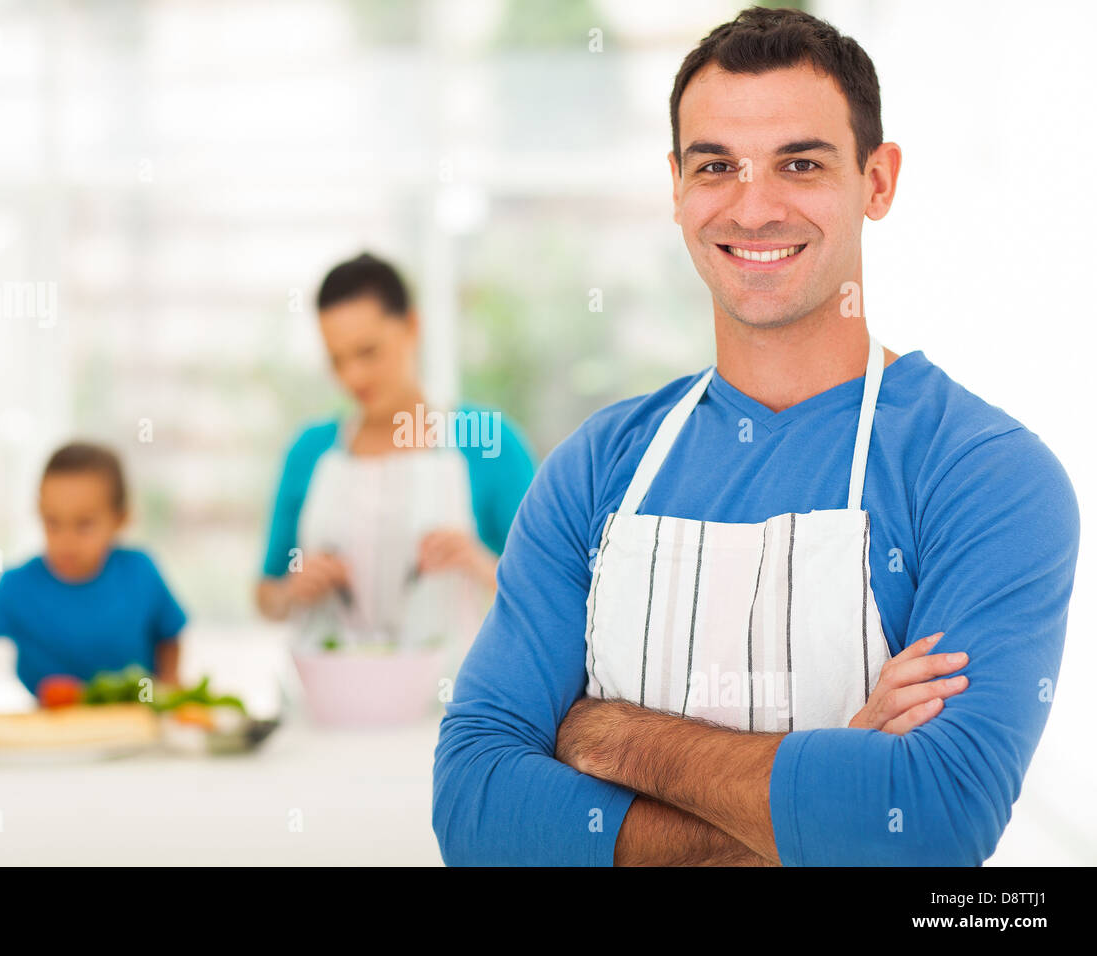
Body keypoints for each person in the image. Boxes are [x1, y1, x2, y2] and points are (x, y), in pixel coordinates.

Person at [433, 6, 1080, 866]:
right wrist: (815, 807)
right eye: (716, 166)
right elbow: (474, 806)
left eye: (800, 164)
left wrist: (610, 734)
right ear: (676, 187)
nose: (755, 206)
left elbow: (924, 826)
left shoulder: (984, 476)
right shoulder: (595, 468)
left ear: (877, 182)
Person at [256, 252, 536, 654]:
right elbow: (265, 595)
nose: (353, 376)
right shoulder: (309, 451)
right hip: (326, 702)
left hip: (453, 702)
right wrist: (292, 591)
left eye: (368, 352)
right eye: (336, 360)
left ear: (411, 327)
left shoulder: (488, 441)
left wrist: (478, 563)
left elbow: (547, 590)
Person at [0, 441, 187, 696]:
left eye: (84, 524)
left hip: (138, 722)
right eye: (52, 522)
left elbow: (170, 635)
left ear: (120, 519)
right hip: (49, 727)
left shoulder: (140, 571)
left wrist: (170, 681)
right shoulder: (19, 587)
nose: (66, 541)